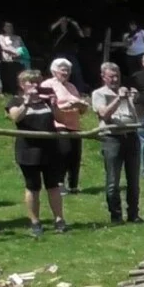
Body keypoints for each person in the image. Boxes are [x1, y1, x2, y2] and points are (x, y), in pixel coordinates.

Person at [7, 70, 68, 235]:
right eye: (31, 82)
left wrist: (54, 105)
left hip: (51, 150)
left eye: (37, 82)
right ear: (22, 85)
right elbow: (16, 118)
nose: (35, 85)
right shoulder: (16, 100)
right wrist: (26, 102)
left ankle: (59, 220)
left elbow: (61, 119)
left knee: (53, 186)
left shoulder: (46, 99)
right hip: (28, 151)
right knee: (33, 187)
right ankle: (35, 222)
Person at [92, 62, 143, 223]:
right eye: (111, 77)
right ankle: (116, 215)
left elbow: (138, 118)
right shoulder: (99, 94)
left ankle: (133, 214)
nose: (115, 80)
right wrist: (118, 99)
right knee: (113, 181)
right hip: (112, 138)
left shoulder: (126, 92)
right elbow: (104, 115)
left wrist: (134, 100)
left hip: (131, 137)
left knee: (134, 180)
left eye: (117, 76)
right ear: (103, 77)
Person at [41, 58, 90, 194]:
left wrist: (81, 105)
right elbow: (45, 105)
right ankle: (59, 182)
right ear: (54, 71)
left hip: (74, 124)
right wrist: (65, 106)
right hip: (58, 124)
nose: (66, 73)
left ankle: (73, 185)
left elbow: (82, 110)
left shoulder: (72, 87)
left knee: (75, 155)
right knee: (63, 153)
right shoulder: (48, 84)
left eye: (68, 70)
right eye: (63, 70)